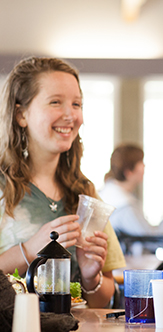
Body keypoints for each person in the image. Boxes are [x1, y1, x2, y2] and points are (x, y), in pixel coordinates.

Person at [0, 57, 126, 308]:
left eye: (77, 103)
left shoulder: (85, 194)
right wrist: (30, 249)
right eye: (55, 102)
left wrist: (91, 277)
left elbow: (102, 302)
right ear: (21, 114)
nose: (71, 115)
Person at [99, 143, 163, 236]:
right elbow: (157, 239)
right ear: (128, 172)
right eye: (140, 162)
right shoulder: (125, 207)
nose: (144, 166)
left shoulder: (106, 193)